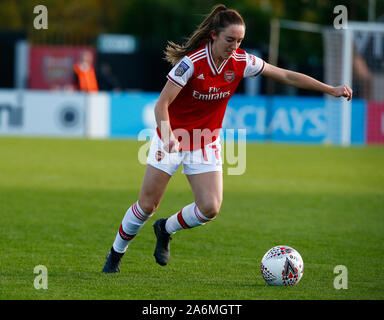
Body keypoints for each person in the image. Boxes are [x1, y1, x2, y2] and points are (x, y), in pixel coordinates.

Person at [102, 4, 353, 273]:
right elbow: (161, 104)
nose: (235, 46)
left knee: (209, 208)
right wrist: (167, 137)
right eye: (230, 40)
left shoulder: (242, 62)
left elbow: (287, 75)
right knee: (147, 205)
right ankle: (115, 254)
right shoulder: (192, 64)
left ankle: (166, 228)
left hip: (206, 140)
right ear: (214, 36)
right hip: (173, 138)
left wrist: (330, 89)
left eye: (240, 41)